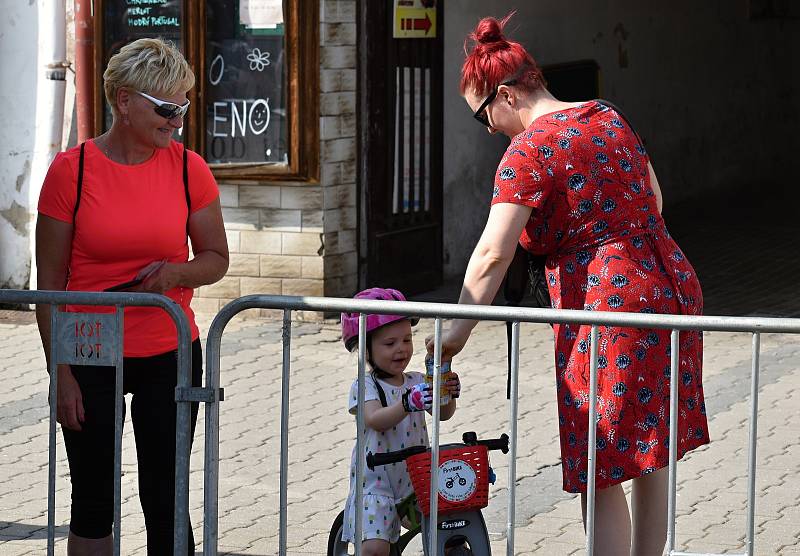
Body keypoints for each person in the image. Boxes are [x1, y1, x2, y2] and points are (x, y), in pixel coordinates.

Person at [426, 14, 709, 556]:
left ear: (506, 95)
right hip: (669, 286)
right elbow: (655, 200)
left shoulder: (528, 151)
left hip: (605, 308)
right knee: (651, 451)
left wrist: (454, 334)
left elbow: (491, 253)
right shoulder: (608, 116)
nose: (487, 130)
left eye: (483, 115)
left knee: (600, 463)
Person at [35, 38, 229, 555]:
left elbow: (215, 257)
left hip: (168, 348)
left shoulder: (190, 169)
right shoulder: (70, 172)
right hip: (89, 346)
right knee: (94, 496)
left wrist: (174, 275)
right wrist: (61, 372)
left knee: (167, 496)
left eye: (184, 106)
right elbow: (49, 284)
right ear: (123, 100)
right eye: (166, 108)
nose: (177, 120)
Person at [340, 288, 461, 556]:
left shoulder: (417, 380)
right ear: (366, 348)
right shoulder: (366, 385)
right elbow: (374, 419)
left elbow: (444, 414)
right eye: (390, 343)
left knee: (450, 527)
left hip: (415, 480)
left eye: (407, 340)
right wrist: (406, 404)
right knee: (374, 549)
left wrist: (447, 392)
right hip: (376, 485)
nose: (401, 349)